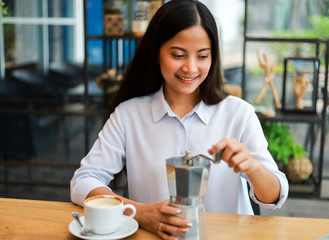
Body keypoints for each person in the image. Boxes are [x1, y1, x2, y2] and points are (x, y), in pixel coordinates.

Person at [71, 0, 289, 239]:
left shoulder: (239, 114)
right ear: (156, 53)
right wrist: (138, 212)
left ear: (213, 57)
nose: (190, 68)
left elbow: (274, 199)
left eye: (203, 56)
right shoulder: (128, 115)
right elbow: (84, 181)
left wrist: (253, 166)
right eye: (178, 55)